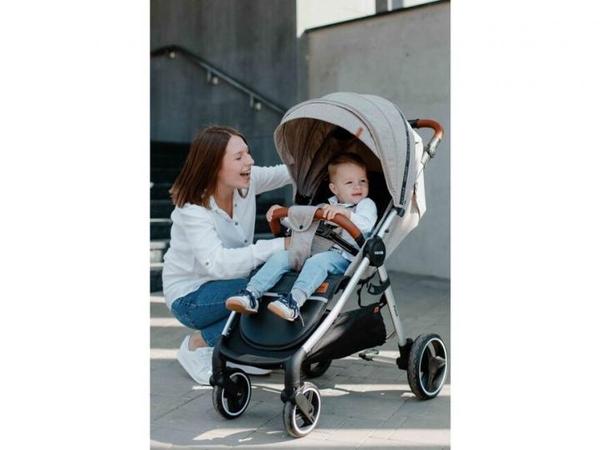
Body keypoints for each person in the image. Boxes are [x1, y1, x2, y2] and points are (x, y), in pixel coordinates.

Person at [162, 126, 292, 384]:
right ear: (213, 166)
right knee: (263, 290)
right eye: (239, 157)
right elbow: (218, 264)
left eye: (248, 153)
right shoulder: (193, 209)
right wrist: (279, 245)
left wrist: (335, 151)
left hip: (229, 284)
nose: (250, 161)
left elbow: (289, 172)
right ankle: (197, 344)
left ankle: (236, 352)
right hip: (190, 297)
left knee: (269, 286)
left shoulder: (246, 182)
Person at [225, 152, 377, 321]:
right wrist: (283, 217)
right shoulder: (327, 205)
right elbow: (305, 226)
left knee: (317, 262)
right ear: (334, 188)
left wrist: (346, 214)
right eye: (349, 182)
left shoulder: (365, 204)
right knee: (281, 256)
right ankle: (252, 293)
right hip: (314, 249)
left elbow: (367, 225)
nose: (358, 187)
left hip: (344, 257)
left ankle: (294, 301)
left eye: (362, 181)